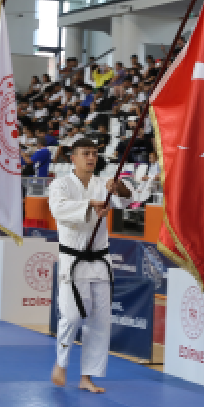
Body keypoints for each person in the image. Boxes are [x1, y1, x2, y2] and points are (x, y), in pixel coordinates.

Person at [49, 138, 133, 393]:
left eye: (94, 153)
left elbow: (128, 202)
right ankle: (61, 363)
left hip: (99, 260)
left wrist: (120, 189)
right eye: (85, 153)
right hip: (73, 260)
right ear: (72, 158)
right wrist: (88, 206)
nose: (91, 158)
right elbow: (58, 210)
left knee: (99, 321)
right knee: (72, 315)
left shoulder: (103, 185)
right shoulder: (59, 185)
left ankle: (88, 377)